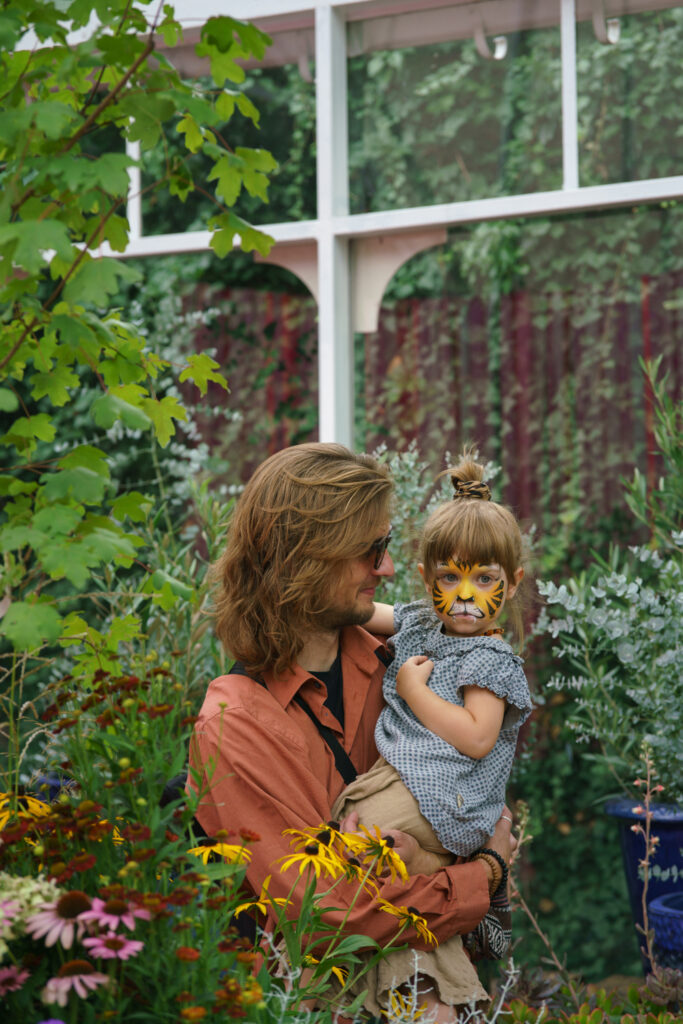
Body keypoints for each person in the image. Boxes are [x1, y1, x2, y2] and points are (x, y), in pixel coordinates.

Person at [188, 443, 514, 1004]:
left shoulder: (404, 665)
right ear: (305, 558)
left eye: (385, 547)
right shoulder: (235, 724)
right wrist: (483, 876)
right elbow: (329, 917)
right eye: (371, 550)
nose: (385, 568)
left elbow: (481, 807)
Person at [331, 450, 532, 1019]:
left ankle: (387, 990)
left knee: (350, 853)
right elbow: (354, 613)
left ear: (511, 583)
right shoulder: (423, 621)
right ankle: (432, 977)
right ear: (428, 579)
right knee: (357, 862)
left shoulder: (490, 659)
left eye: (484, 579)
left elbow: (475, 738)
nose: (465, 595)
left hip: (448, 795)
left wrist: (417, 694)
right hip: (411, 783)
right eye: (451, 577)